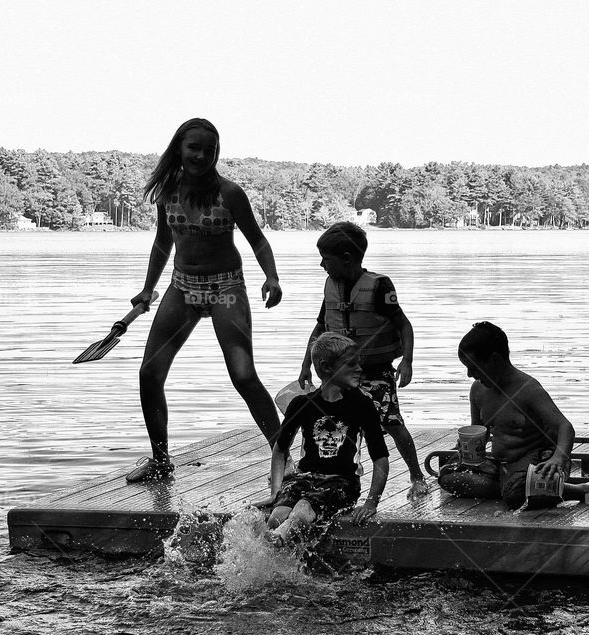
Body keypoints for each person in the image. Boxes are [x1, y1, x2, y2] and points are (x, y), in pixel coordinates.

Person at [126, 118, 283, 482]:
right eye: (193, 147)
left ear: (217, 153)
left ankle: (282, 455)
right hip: (182, 287)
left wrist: (271, 277)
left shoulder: (230, 193)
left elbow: (257, 240)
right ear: (179, 148)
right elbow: (163, 242)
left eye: (208, 149)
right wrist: (148, 288)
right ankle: (161, 462)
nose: (200, 155)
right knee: (149, 373)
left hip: (225, 287)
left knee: (243, 375)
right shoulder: (168, 191)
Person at [297, 222, 429, 500]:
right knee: (331, 421)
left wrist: (407, 361)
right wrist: (306, 364)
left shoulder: (380, 286)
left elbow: (404, 325)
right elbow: (321, 327)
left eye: (326, 259)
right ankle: (326, 475)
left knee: (392, 423)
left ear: (346, 259)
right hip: (339, 374)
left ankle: (416, 476)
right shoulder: (330, 286)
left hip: (376, 371)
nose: (322, 264)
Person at [449, 321, 589, 509]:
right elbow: (480, 431)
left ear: (495, 360)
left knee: (516, 493)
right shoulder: (477, 390)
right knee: (449, 476)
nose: (469, 374)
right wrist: (467, 451)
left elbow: (565, 428)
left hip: (539, 461)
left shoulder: (528, 389)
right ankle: (514, 488)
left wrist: (558, 458)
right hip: (503, 466)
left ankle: (579, 491)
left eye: (473, 367)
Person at [264, 333, 390, 547]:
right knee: (277, 515)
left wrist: (371, 503)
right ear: (326, 367)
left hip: (342, 483)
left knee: (303, 509)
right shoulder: (301, 404)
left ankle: (277, 541)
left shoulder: (362, 405)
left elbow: (381, 459)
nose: (359, 369)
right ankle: (278, 557)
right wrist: (276, 492)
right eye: (351, 364)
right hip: (304, 478)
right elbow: (279, 450)